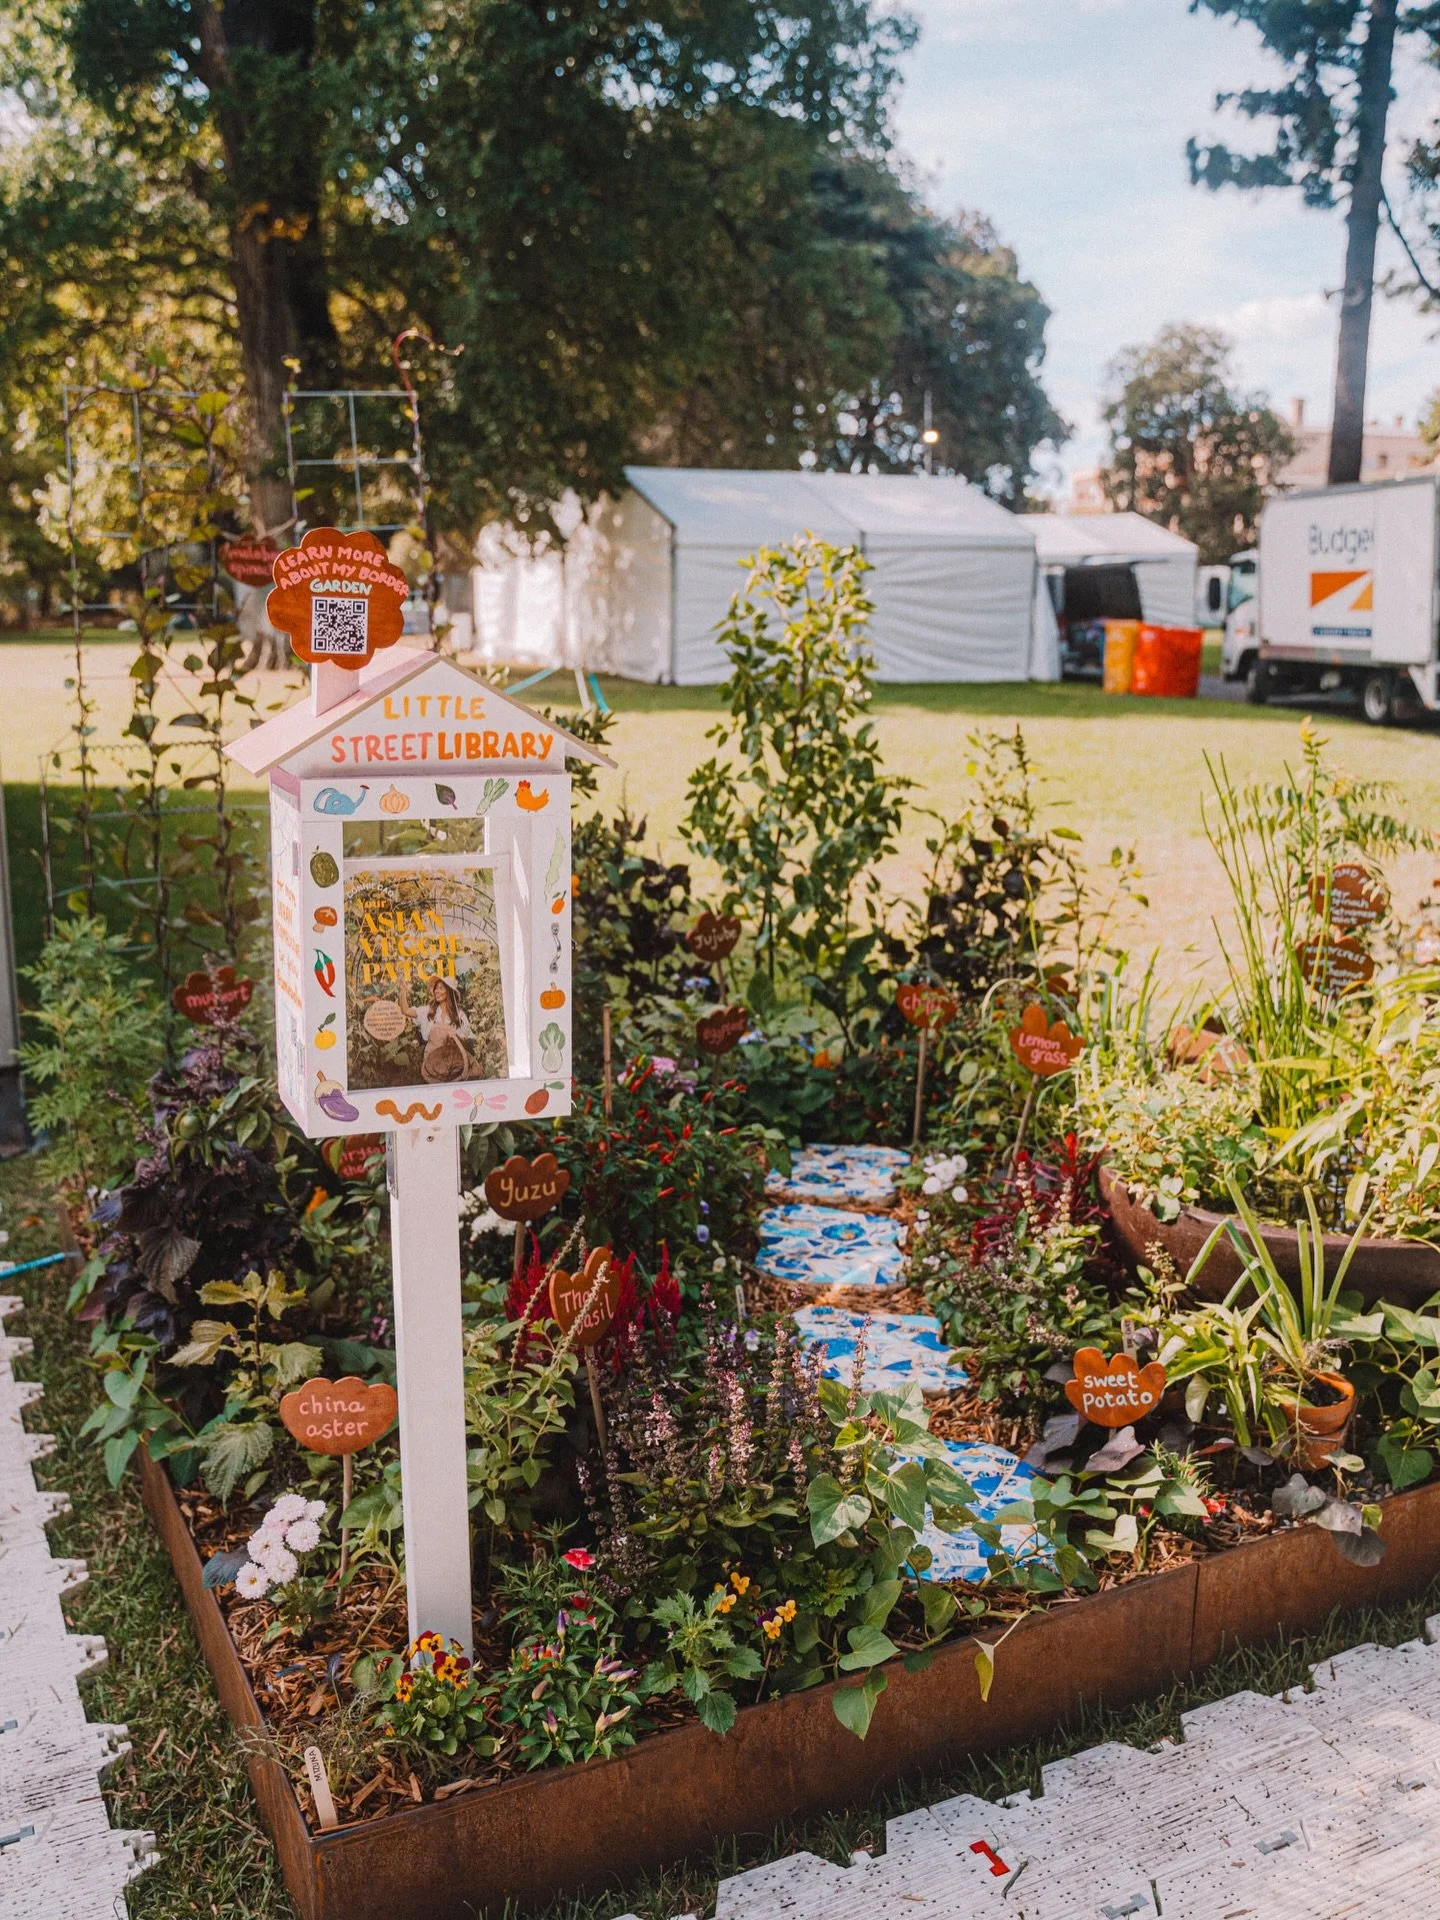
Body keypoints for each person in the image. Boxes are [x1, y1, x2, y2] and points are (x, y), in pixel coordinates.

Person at [397, 974, 479, 1081]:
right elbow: (406, 1011)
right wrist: (403, 991)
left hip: (453, 1062)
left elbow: (466, 1040)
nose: (436, 991)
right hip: (433, 1061)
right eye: (436, 988)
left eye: (441, 988)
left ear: (449, 992)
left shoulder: (459, 1015)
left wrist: (457, 1037)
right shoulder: (429, 1011)